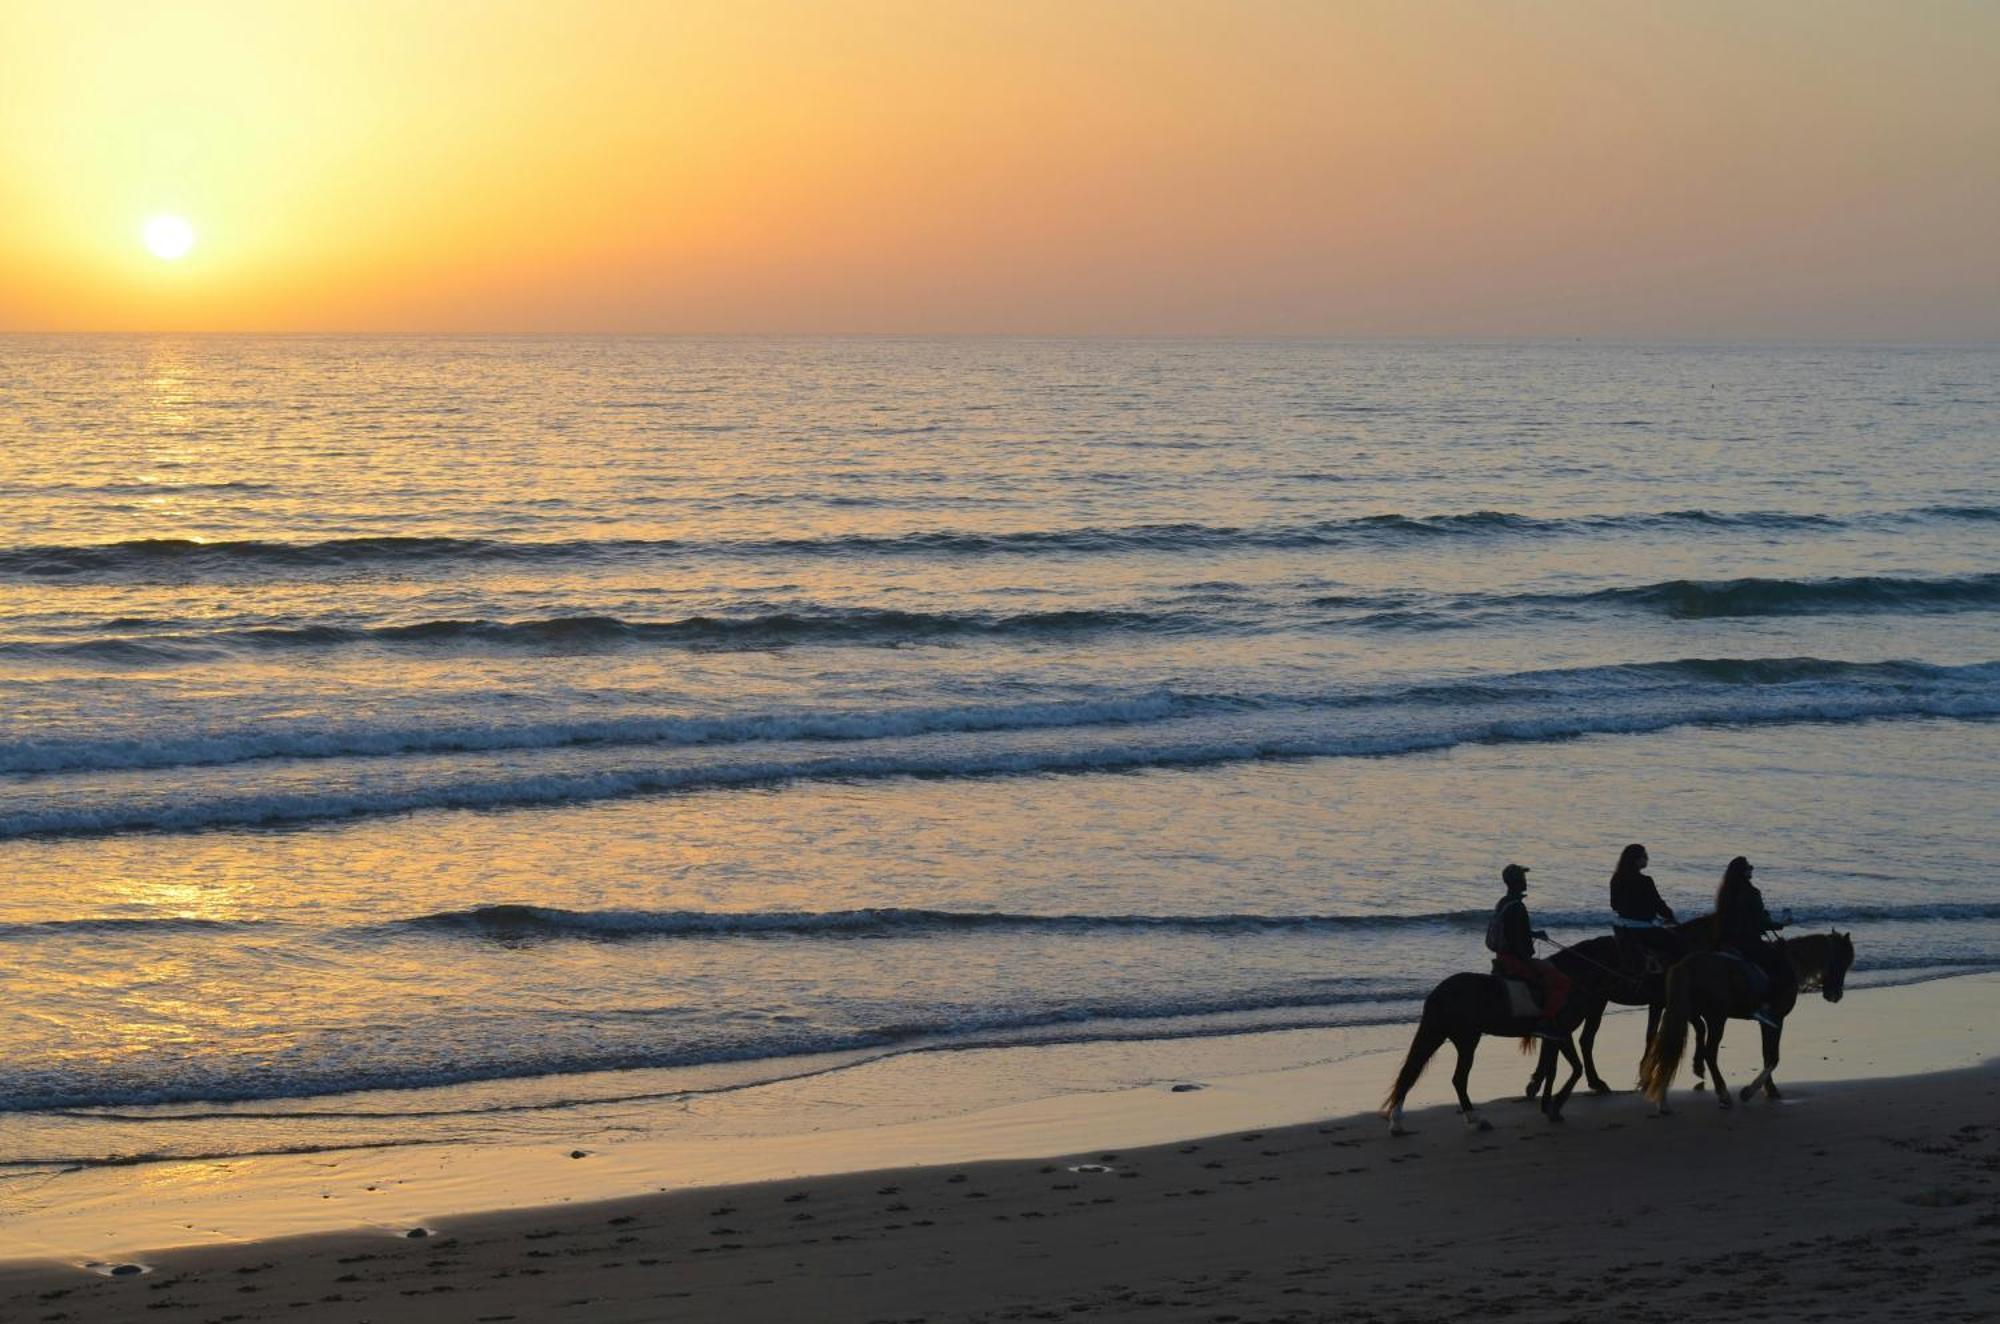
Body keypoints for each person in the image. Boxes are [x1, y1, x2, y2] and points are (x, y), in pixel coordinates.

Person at [1486, 862, 1570, 1039]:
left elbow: (1511, 930)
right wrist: (1529, 960)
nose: (1526, 882)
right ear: (1517, 882)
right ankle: (1544, 1022)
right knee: (1561, 981)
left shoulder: (1504, 902)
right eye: (1523, 878)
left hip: (1502, 956)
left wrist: (1533, 933)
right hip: (1514, 959)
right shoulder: (1517, 906)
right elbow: (1517, 940)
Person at [1714, 856, 1792, 1028]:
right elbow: (1760, 922)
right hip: (1747, 941)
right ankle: (1765, 1005)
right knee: (1780, 966)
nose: (1752, 870)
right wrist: (1781, 924)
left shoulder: (1725, 891)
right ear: (1744, 871)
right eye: (1750, 867)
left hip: (1726, 941)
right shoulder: (1751, 892)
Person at [1609, 843, 1683, 972]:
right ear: (1635, 860)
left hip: (1621, 927)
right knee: (1678, 943)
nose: (1647, 859)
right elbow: (1658, 904)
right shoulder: (1645, 880)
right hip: (1642, 929)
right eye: (1644, 856)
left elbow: (1614, 905)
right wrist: (1670, 917)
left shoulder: (1616, 878)